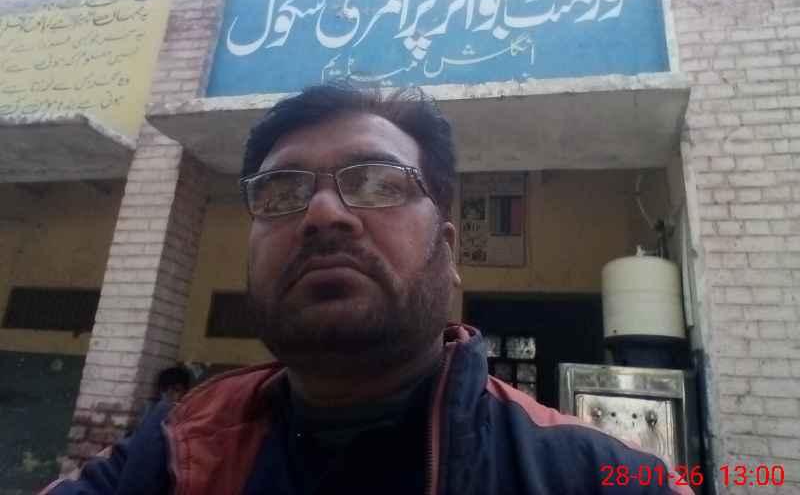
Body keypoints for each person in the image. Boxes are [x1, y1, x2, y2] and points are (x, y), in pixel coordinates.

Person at [41, 84, 692, 494]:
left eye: (379, 183)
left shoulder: (599, 477)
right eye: (281, 191)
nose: (323, 213)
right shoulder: (171, 454)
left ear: (447, 248)